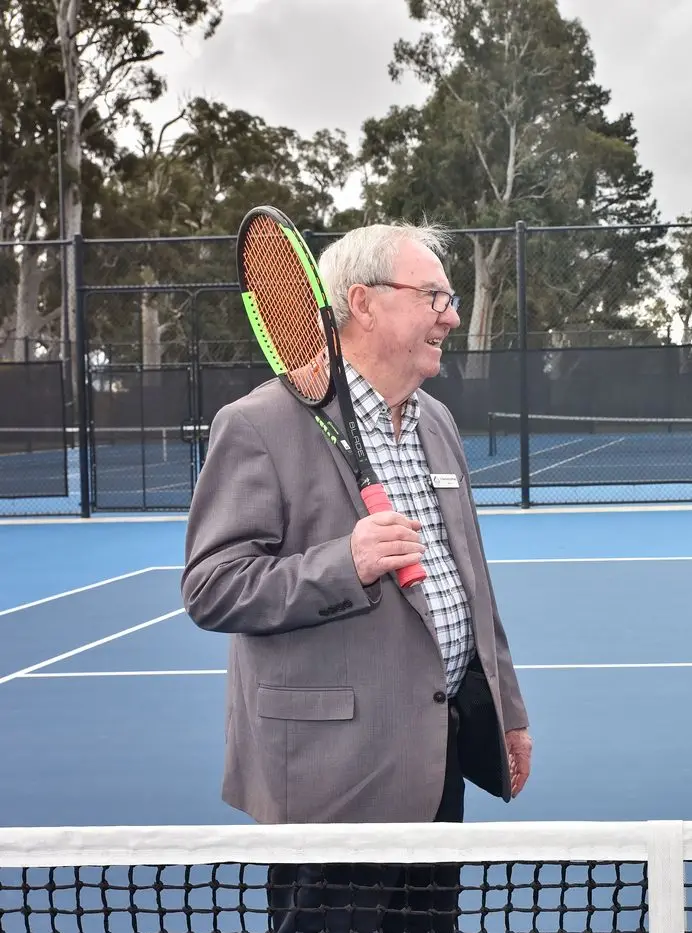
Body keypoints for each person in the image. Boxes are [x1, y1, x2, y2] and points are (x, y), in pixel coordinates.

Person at [181, 221, 532, 933]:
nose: (452, 315)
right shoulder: (257, 424)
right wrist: (347, 562)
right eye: (435, 295)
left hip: (435, 763)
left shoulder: (436, 422)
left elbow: (470, 583)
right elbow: (212, 585)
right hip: (329, 781)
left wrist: (509, 711)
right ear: (364, 303)